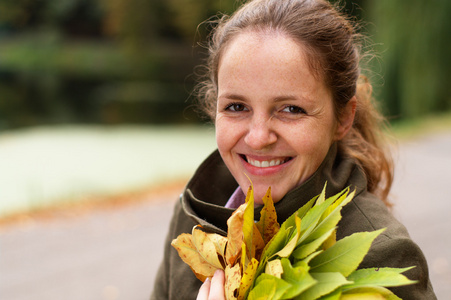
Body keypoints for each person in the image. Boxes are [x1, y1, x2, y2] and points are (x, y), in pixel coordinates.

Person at [150, 0, 436, 299]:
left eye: (290, 109)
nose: (259, 137)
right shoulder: (194, 218)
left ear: (343, 117)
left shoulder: (382, 256)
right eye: (237, 107)